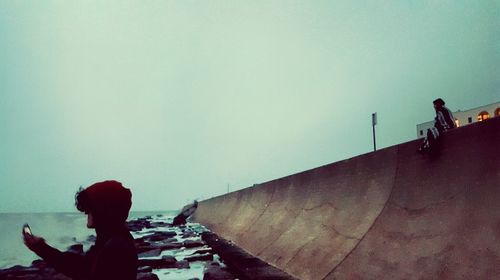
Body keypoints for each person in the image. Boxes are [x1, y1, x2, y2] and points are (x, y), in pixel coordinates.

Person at [23, 180, 138, 280]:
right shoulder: (111, 239)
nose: (86, 213)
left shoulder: (116, 247)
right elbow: (81, 267)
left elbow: (84, 270)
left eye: (89, 208)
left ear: (103, 210)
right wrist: (40, 247)